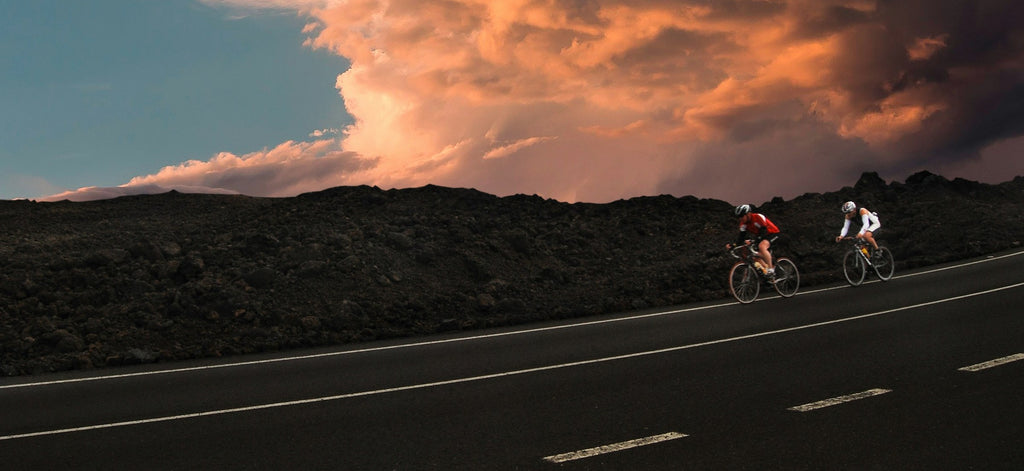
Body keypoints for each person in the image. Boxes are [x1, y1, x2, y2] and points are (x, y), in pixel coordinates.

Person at [726, 204, 780, 276]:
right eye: (739, 217)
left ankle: (771, 270)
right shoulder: (743, 224)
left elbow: (763, 231)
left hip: (772, 233)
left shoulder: (758, 217)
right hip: (761, 236)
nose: (740, 219)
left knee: (761, 246)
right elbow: (741, 237)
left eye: (742, 216)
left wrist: (753, 241)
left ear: (748, 214)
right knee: (753, 256)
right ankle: (766, 271)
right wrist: (733, 245)